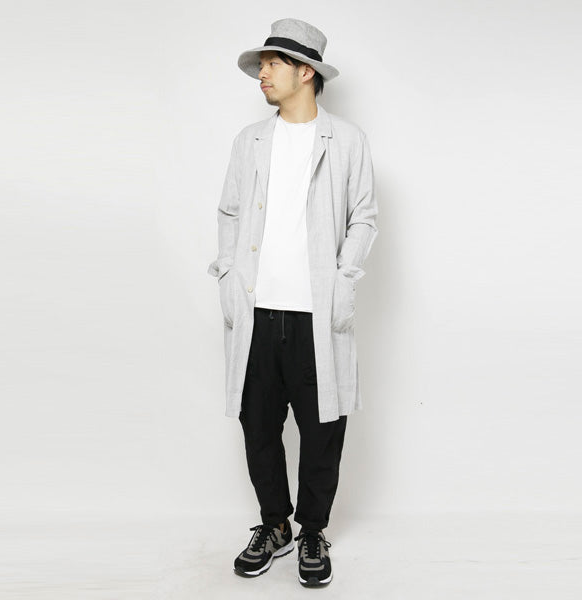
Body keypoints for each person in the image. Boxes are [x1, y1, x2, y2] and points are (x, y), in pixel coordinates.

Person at [207, 18, 378, 587]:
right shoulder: (250, 141)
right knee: (258, 424)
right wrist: (228, 273)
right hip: (257, 311)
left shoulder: (346, 140)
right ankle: (275, 525)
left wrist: (345, 279)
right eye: (261, 64)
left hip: (317, 313)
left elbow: (364, 217)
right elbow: (230, 213)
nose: (263, 73)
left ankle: (312, 531)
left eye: (273, 63)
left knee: (322, 427)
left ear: (306, 72)